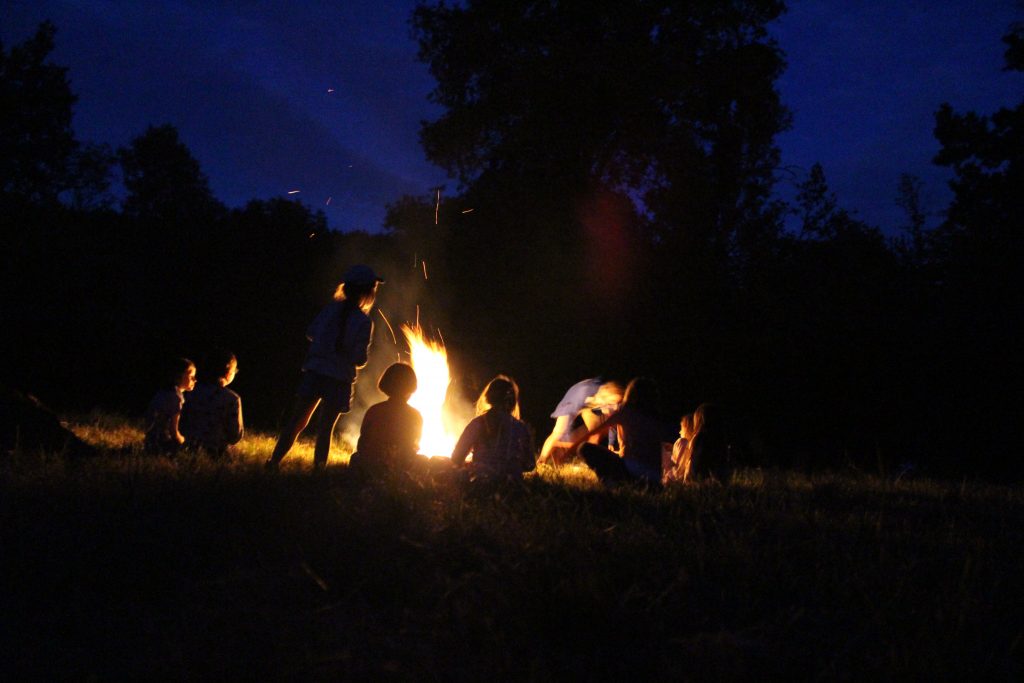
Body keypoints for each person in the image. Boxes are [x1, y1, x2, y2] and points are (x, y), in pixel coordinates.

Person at [265, 264, 384, 470]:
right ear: (367, 292)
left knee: (296, 421)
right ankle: (318, 470)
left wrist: (324, 345)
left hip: (315, 371)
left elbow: (311, 332)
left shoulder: (330, 310)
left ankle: (274, 461)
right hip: (338, 379)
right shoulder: (363, 322)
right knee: (325, 428)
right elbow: (359, 358)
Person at [566, 377, 676, 488]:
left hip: (632, 473)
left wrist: (569, 451)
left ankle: (611, 482)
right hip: (655, 480)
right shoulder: (657, 418)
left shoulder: (625, 411)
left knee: (585, 448)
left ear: (630, 393)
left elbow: (594, 432)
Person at [451, 375, 536, 481]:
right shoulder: (520, 427)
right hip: (512, 484)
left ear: (487, 398)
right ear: (513, 402)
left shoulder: (477, 423)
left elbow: (456, 457)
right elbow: (530, 464)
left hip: (481, 481)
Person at [349, 362, 424, 476]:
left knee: (355, 457)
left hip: (370, 463)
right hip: (401, 465)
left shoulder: (374, 410)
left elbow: (363, 440)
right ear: (411, 387)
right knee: (424, 460)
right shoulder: (415, 415)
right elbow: (415, 444)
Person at [537, 378, 623, 465]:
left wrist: (611, 442)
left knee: (595, 432)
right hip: (572, 401)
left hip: (590, 405)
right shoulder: (588, 393)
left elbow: (611, 420)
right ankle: (542, 460)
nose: (615, 407)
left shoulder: (609, 403)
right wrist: (565, 430)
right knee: (559, 433)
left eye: (617, 403)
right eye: (612, 403)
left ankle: (588, 459)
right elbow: (572, 404)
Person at [181, 349, 243, 457]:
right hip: (216, 451)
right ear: (228, 374)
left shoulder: (190, 393)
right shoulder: (232, 399)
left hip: (188, 447)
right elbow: (235, 435)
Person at [143, 357, 196, 454]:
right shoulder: (175, 398)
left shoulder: (162, 393)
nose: (195, 380)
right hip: (163, 444)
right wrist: (184, 442)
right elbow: (173, 432)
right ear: (179, 376)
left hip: (150, 442)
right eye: (191, 376)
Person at [686, 402, 732, 483]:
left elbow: (695, 465)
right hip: (718, 483)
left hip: (700, 483)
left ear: (699, 420)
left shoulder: (699, 438)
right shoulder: (721, 440)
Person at [663, 413, 695, 483]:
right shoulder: (692, 445)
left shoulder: (682, 441)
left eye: (681, 428)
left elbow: (678, 465)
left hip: (673, 478)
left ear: (687, 428)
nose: (679, 432)